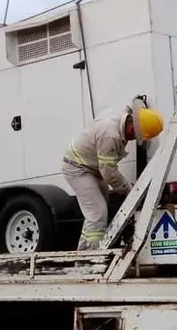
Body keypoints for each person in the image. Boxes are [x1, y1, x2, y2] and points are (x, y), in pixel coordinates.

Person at [61, 102, 165, 250]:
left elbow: (129, 109)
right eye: (137, 135)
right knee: (98, 213)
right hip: (77, 168)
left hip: (93, 167)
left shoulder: (123, 119)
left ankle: (87, 250)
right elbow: (109, 173)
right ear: (131, 126)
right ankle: (89, 259)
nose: (135, 139)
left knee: (98, 212)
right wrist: (131, 192)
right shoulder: (111, 136)